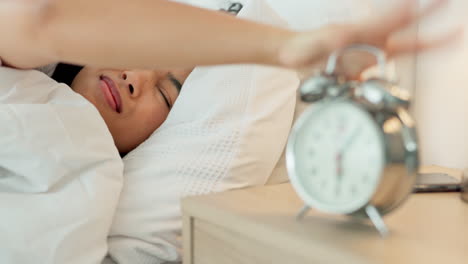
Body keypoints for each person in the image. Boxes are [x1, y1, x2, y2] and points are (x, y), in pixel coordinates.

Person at [0, 0, 459, 154]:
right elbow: (38, 18)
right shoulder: (22, 57)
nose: (132, 78)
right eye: (131, 51)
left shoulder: (90, 187)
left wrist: (291, 51)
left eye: (167, 90)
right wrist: (283, 47)